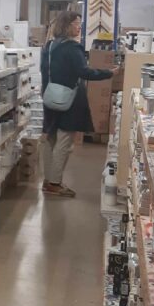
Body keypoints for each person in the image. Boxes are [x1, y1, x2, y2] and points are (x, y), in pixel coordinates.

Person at [40, 11, 117, 198]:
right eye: (77, 23)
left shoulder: (49, 46)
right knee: (64, 141)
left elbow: (44, 71)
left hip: (50, 97)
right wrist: (109, 73)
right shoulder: (73, 48)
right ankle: (55, 184)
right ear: (67, 25)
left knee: (50, 138)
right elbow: (84, 72)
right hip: (69, 99)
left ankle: (48, 180)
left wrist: (46, 94)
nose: (79, 27)